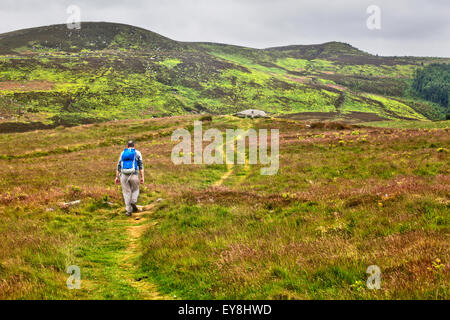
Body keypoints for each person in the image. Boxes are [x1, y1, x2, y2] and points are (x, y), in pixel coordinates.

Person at [115, 140, 144, 216]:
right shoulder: (137, 153)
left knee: (126, 193)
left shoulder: (122, 153)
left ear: (127, 146)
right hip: (134, 174)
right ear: (134, 146)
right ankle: (133, 202)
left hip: (123, 175)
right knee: (136, 189)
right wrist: (142, 177)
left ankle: (128, 211)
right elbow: (141, 166)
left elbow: (118, 166)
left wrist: (117, 177)